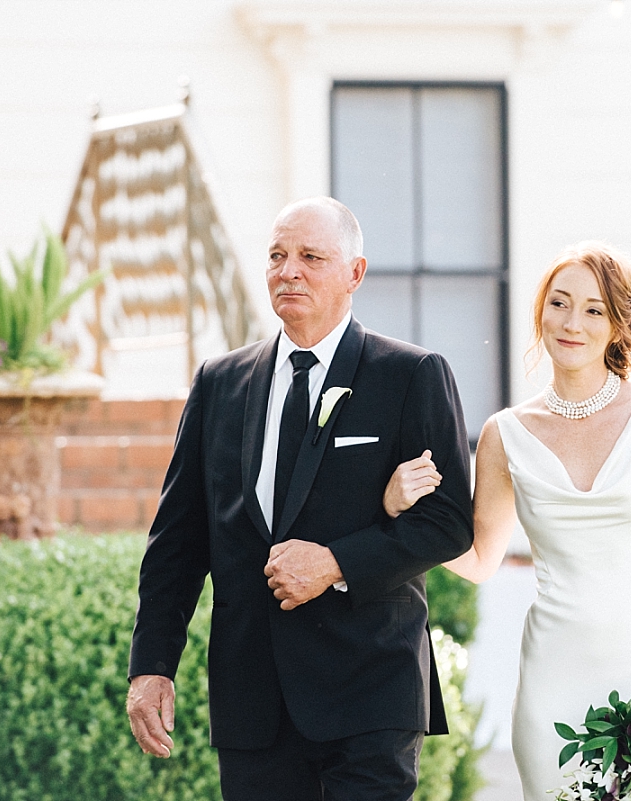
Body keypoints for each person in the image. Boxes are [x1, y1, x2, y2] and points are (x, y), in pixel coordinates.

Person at [126, 196, 475, 801]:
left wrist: (337, 562)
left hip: (370, 690)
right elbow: (178, 541)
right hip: (251, 699)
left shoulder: (410, 375)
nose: (290, 271)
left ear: (355, 274)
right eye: (277, 257)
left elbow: (448, 524)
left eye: (311, 257)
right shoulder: (219, 383)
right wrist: (152, 665)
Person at [384, 242, 631, 799]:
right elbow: (482, 559)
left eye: (593, 310)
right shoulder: (504, 434)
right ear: (540, 310)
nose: (572, 323)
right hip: (555, 686)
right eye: (559, 303)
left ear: (618, 325)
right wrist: (398, 512)